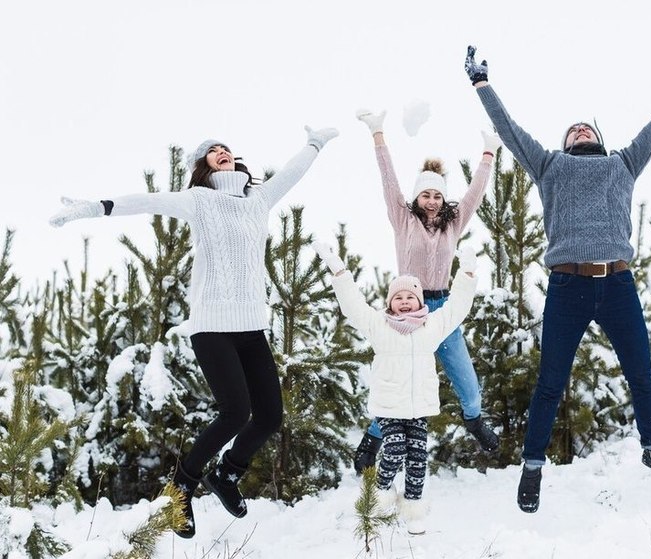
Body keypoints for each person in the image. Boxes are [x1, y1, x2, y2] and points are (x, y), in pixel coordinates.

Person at [49, 125, 338, 537]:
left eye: (226, 148)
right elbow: (145, 201)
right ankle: (180, 489)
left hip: (252, 327)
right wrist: (94, 207)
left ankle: (226, 475)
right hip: (212, 327)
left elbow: (291, 174)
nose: (222, 152)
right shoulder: (199, 201)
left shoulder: (258, 199)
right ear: (202, 166)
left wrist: (315, 143)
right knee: (236, 413)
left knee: (270, 417)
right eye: (212, 151)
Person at [464, 45, 651, 513]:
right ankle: (533, 465)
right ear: (565, 144)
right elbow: (508, 129)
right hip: (568, 288)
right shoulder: (549, 167)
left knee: (641, 374)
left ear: (598, 139)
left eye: (587, 127)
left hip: (619, 287)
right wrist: (481, 83)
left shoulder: (623, 163)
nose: (580, 129)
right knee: (550, 382)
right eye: (573, 129)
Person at [352, 108, 502, 473]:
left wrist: (489, 154)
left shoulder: (454, 225)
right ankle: (372, 439)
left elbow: (475, 194)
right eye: (426, 195)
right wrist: (377, 134)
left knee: (467, 382)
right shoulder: (402, 220)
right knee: (399, 386)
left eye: (438, 195)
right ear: (417, 198)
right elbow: (388, 180)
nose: (432, 201)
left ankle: (474, 421)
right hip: (406, 313)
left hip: (443, 309)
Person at [312, 240, 478, 535]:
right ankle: (381, 492)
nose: (404, 301)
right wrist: (338, 270)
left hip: (419, 407)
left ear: (420, 302)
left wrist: (466, 272)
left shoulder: (432, 326)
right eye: (398, 297)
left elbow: (457, 309)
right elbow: (352, 305)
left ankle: (414, 510)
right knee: (395, 450)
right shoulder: (379, 324)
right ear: (390, 302)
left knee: (417, 458)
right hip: (389, 405)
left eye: (410, 297)